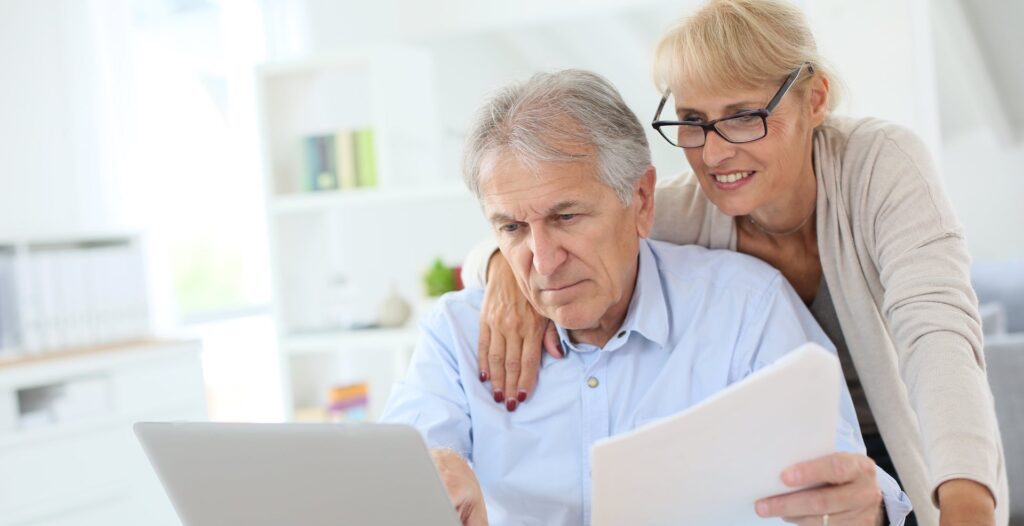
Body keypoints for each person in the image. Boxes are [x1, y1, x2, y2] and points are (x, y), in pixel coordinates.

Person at [461, 1, 1009, 525]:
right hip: (782, 472)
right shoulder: (676, 209)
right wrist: (505, 270)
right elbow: (555, 226)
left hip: (911, 462)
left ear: (814, 98)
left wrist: (967, 508)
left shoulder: (879, 166)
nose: (715, 153)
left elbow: (938, 340)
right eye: (693, 121)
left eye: (744, 117)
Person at [382, 69, 911, 526]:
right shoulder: (455, 338)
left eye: (566, 217)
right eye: (513, 228)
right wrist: (427, 482)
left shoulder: (748, 311)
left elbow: (843, 486)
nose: (543, 261)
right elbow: (403, 475)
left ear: (640, 200)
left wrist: (867, 511)